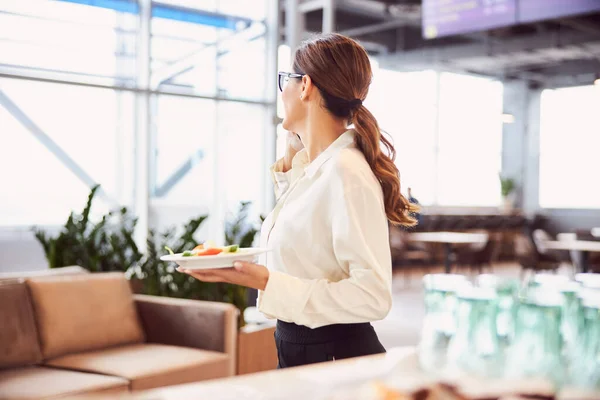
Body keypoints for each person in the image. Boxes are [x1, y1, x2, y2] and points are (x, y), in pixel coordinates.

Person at [178, 33, 417, 368]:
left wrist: (265, 281)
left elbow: (372, 295)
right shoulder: (318, 168)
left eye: (284, 82)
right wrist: (292, 162)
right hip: (300, 346)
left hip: (334, 356)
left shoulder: (346, 172)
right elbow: (308, 253)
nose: (282, 92)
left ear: (304, 85)